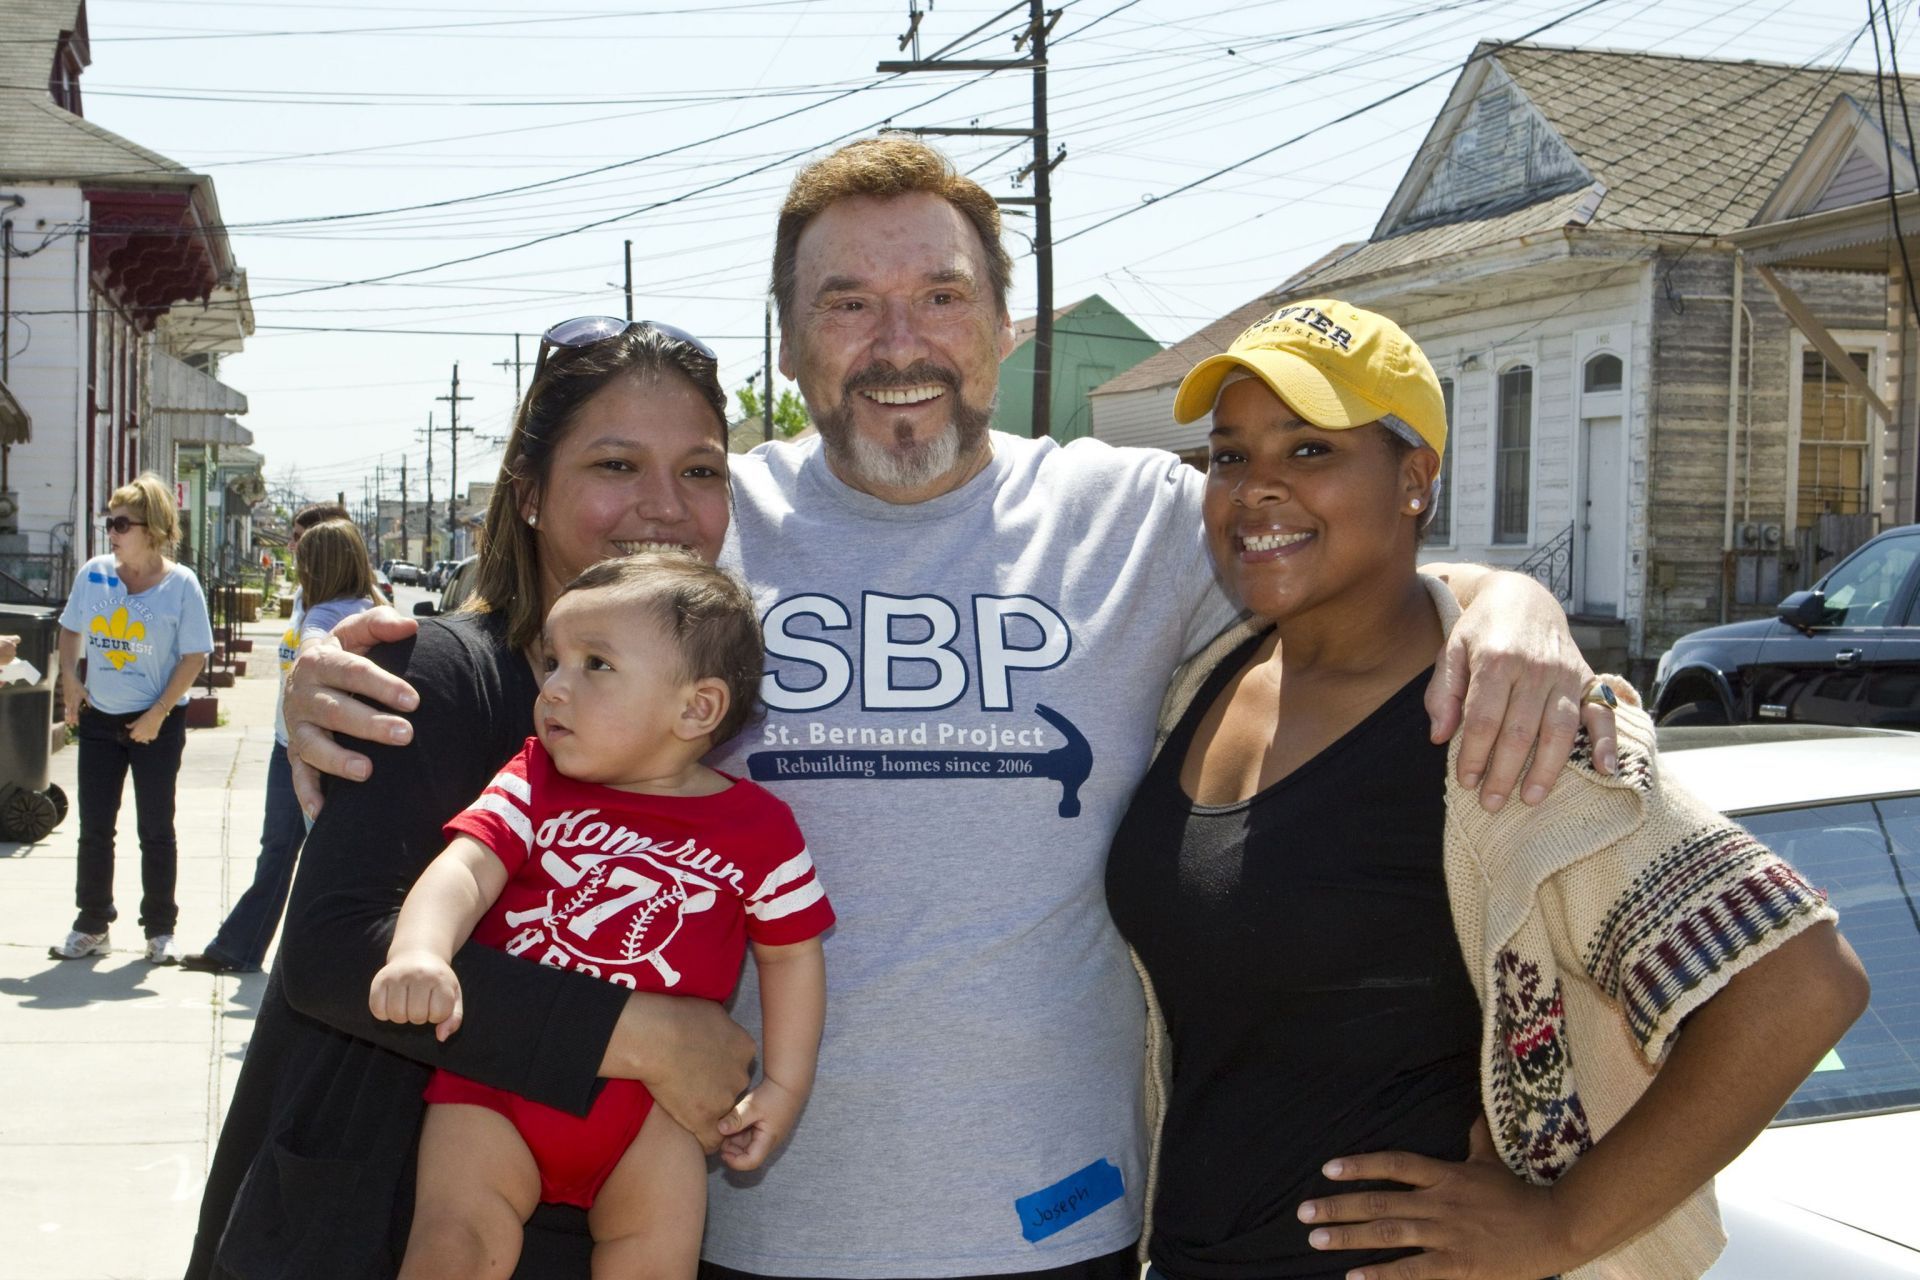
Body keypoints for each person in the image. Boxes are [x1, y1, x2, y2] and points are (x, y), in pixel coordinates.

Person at [269, 139, 1620, 1280]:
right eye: (848, 304)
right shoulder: (702, 543)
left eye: (941, 295)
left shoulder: (1136, 519)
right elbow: (524, 659)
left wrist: (1510, 609)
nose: (899, 342)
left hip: (1057, 1225)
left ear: (1005, 324)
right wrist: (332, 676)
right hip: (730, 1223)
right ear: (788, 341)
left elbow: (1341, 573)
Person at [1106, 300, 1869, 1280]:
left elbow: (1802, 982)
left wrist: (1561, 1226)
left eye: (1308, 450)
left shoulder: (1508, 726)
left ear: (1415, 476)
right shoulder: (1207, 678)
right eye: (1228, 455)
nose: (1257, 488)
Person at [186, 324, 760, 1280]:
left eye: (702, 471)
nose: (664, 505)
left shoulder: (713, 706)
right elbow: (331, 953)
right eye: (616, 463)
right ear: (528, 492)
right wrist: (650, 1038)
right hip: (380, 1218)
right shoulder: (437, 678)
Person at [369, 554, 833, 1280]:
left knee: (655, 1261)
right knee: (452, 1246)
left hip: (654, 1112)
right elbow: (464, 867)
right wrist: (421, 951)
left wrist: (785, 1086)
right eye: (552, 662)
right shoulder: (534, 780)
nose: (555, 688)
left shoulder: (760, 828)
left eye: (596, 665)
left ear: (696, 708)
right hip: (498, 1086)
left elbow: (793, 953)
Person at [182, 510, 372, 974]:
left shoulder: (342, 614)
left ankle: (323, 962)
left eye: (300, 547)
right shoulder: (311, 600)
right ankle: (241, 948)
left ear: (325, 558)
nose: (293, 555)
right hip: (288, 746)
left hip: (324, 756)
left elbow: (312, 651)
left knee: (326, 862)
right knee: (281, 850)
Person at [50, 473, 214, 964]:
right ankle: (92, 923)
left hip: (157, 725)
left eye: (121, 523)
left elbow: (194, 656)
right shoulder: (95, 574)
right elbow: (69, 629)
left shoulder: (181, 586)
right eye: (110, 522)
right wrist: (71, 681)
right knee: (95, 828)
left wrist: (158, 713)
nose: (113, 533)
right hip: (101, 719)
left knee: (156, 829)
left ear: (154, 529)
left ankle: (160, 930)